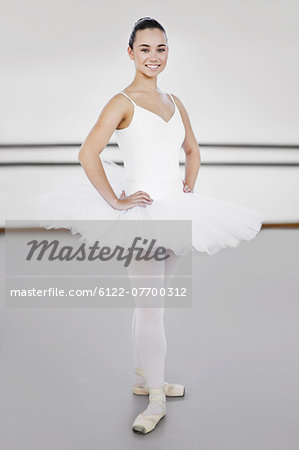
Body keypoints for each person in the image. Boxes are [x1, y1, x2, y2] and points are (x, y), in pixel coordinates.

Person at [35, 17, 264, 434]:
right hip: (142, 215)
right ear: (130, 53)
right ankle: (155, 396)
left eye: (161, 48)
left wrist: (188, 189)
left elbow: (192, 150)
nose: (153, 56)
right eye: (145, 49)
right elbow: (88, 152)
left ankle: (145, 377)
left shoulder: (175, 101)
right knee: (151, 306)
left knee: (153, 304)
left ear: (167, 52)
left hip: (174, 210)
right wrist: (116, 199)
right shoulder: (122, 101)